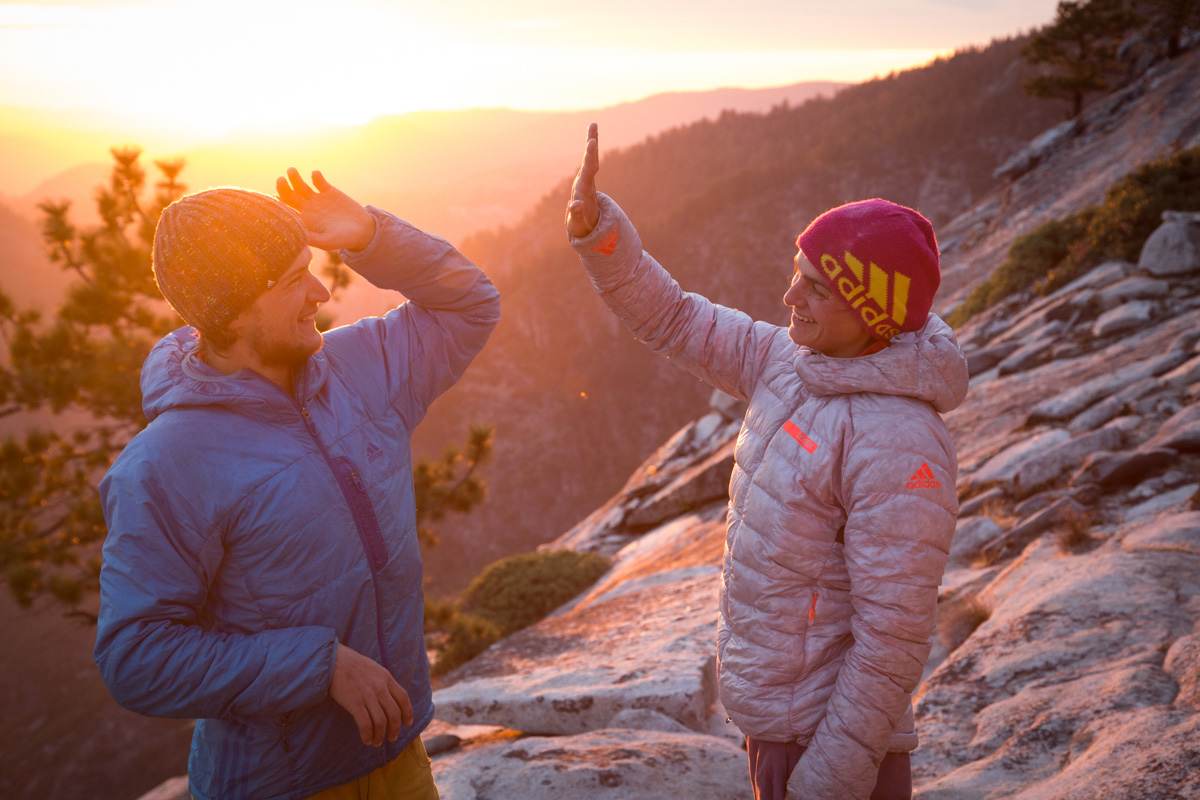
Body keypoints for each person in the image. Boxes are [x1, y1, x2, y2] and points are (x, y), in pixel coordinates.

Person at [565, 124, 968, 800]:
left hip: (831, 748)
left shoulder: (899, 439)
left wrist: (831, 777)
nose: (789, 299)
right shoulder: (788, 361)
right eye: (795, 275)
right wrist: (601, 236)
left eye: (815, 288)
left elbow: (892, 641)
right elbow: (674, 320)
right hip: (780, 723)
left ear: (873, 312)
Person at [93, 169, 500, 800]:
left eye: (311, 267)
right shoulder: (168, 462)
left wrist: (370, 235)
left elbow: (470, 303)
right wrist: (319, 665)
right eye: (291, 282)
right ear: (232, 310)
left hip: (400, 758)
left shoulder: (359, 369)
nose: (320, 291)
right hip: (278, 784)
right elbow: (136, 656)